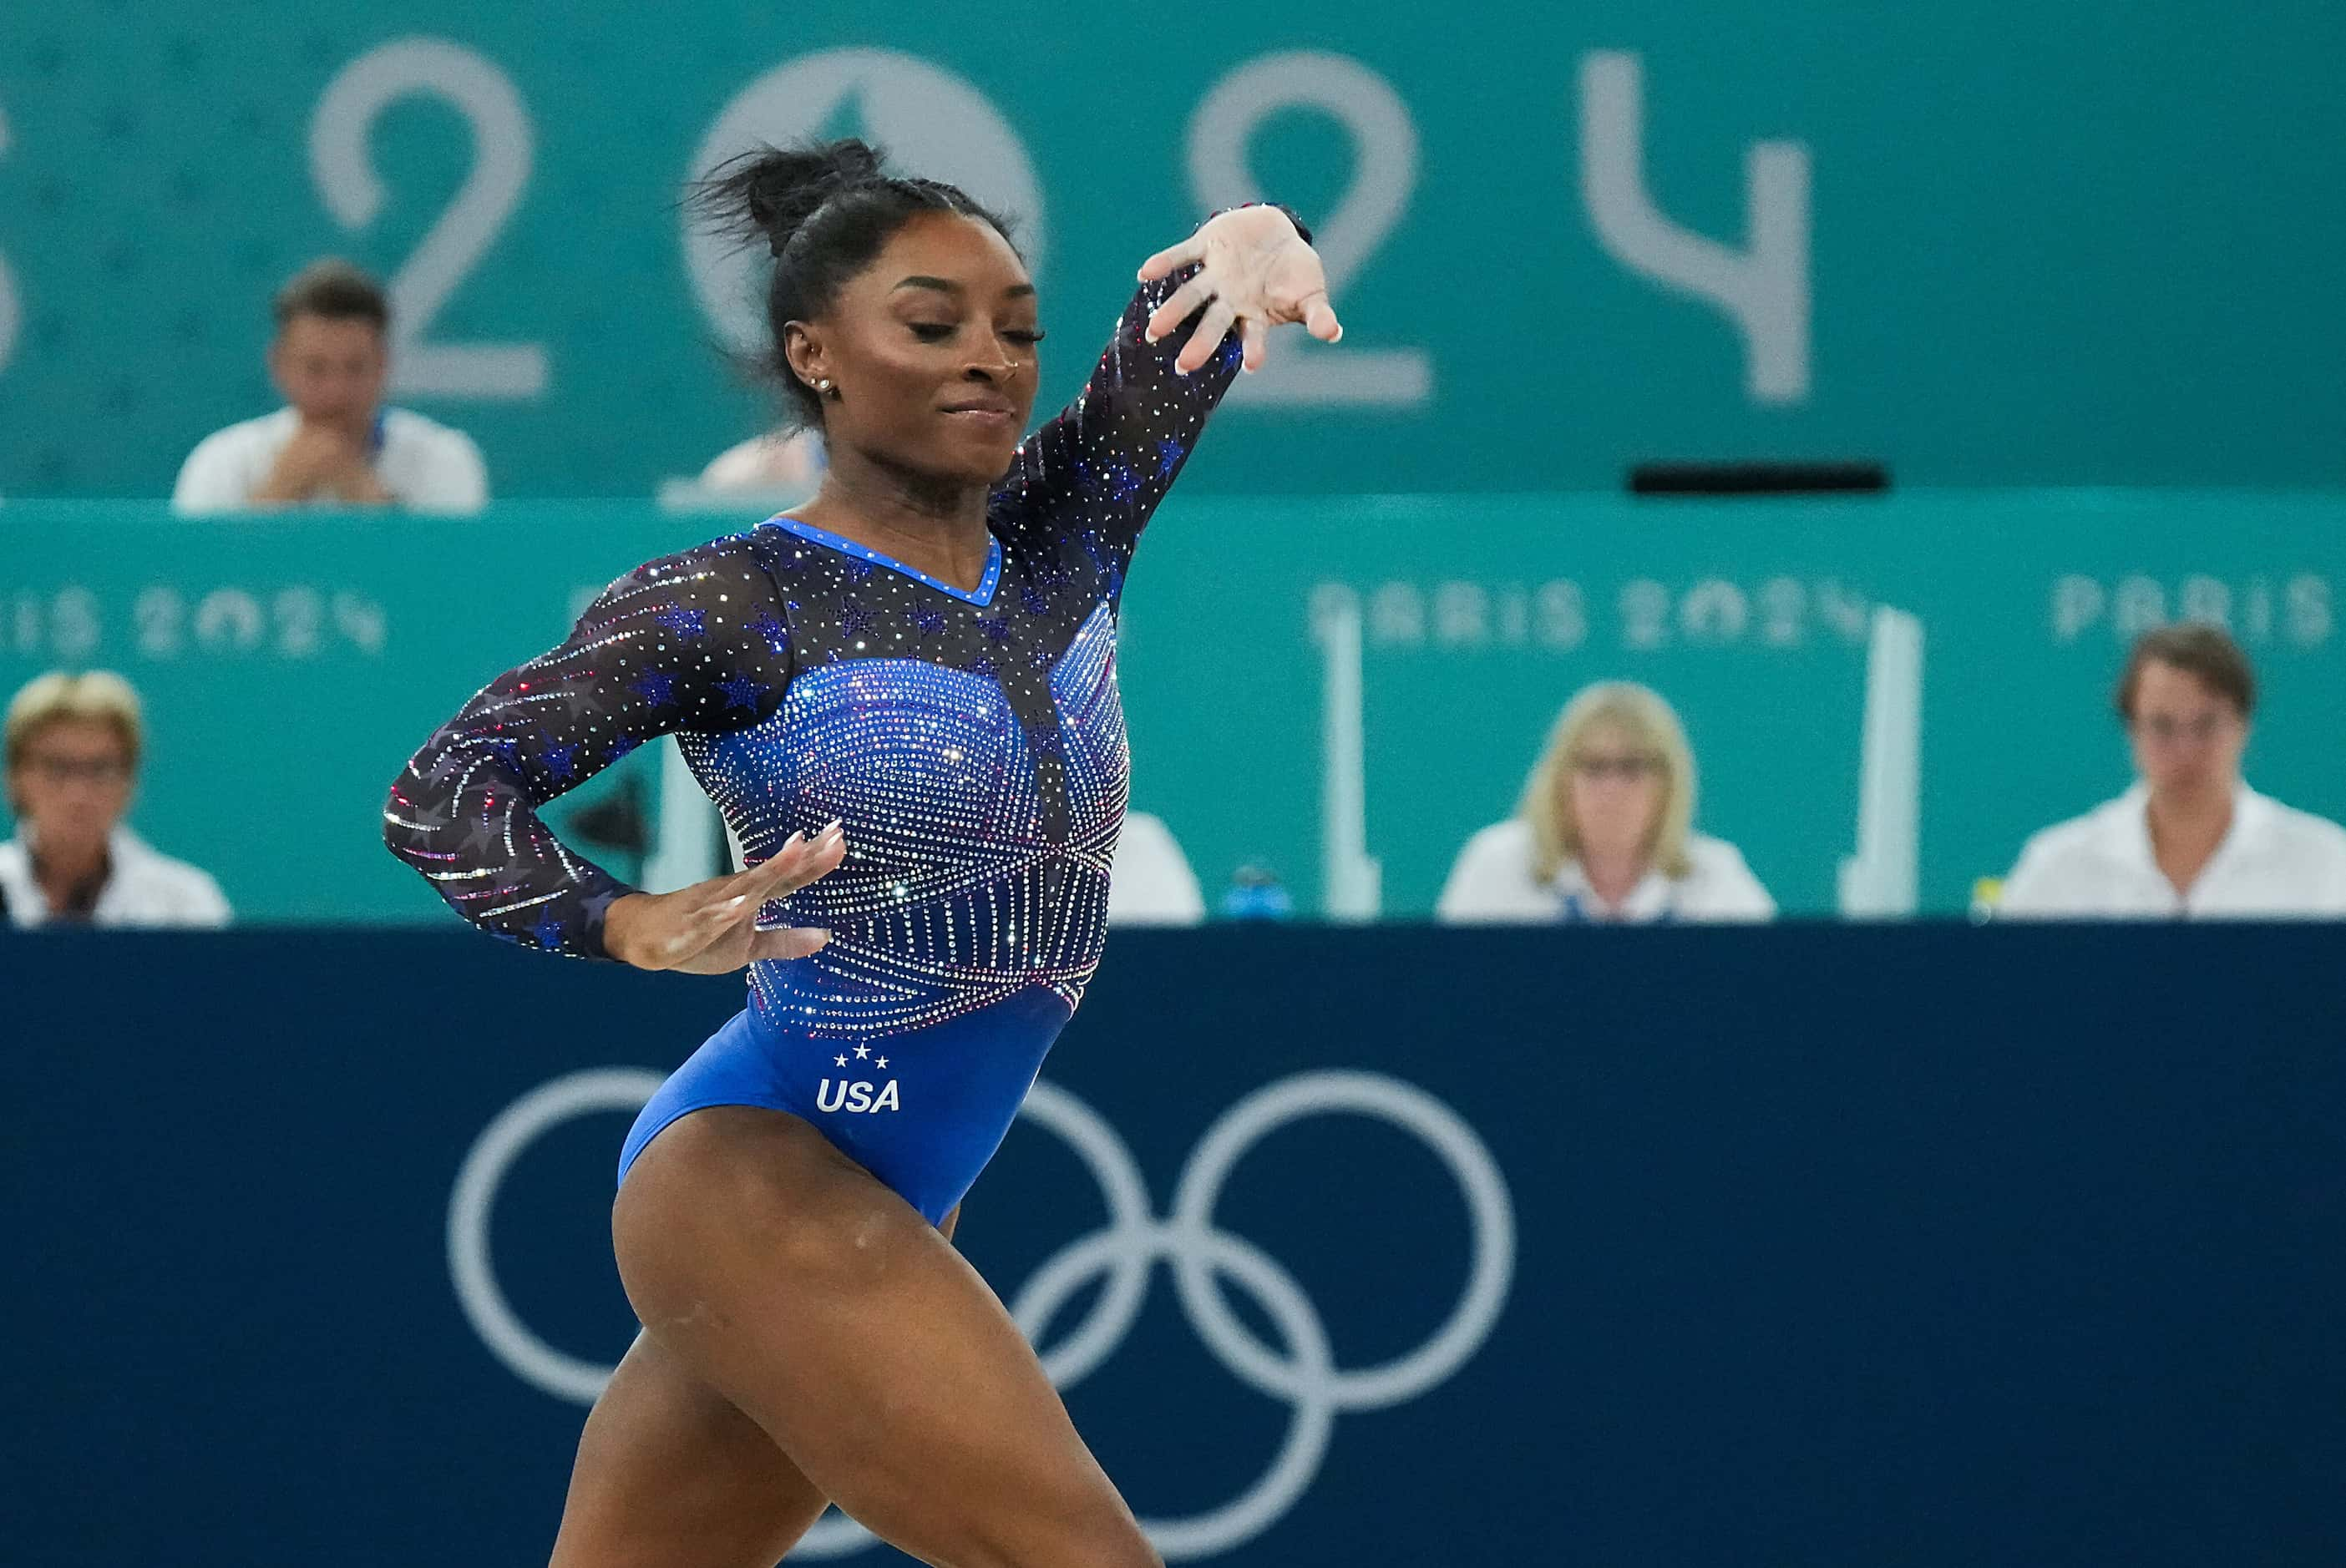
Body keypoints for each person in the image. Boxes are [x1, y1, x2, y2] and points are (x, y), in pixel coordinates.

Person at [383, 139, 1338, 1567]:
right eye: (930, 324)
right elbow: (443, 787)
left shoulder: (1067, 529)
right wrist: (624, 919)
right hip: (751, 1174)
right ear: (813, 353)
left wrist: (1252, 240)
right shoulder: (731, 601)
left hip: (897, 1184)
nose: (989, 362)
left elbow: (1198, 310)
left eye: (1015, 329)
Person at [1999, 624, 2346, 917]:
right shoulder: (2057, 869)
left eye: (2206, 724)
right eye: (2162, 726)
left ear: (2243, 726)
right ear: (2131, 730)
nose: (2186, 750)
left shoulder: (2328, 864)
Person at [1437, 681, 1773, 923]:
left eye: (1632, 768)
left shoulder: (1714, 877)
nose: (1612, 788)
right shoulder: (1498, 866)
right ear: (1560, 779)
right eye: (1594, 767)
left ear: (1669, 783)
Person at [171, 259, 488, 515]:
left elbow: (456, 583)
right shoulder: (221, 463)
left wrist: (366, 498)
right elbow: (188, 583)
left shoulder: (446, 459)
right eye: (315, 369)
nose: (336, 391)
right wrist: (275, 496)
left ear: (383, 366)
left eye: (355, 367)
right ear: (279, 366)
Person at [0, 670, 230, 928]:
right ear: (15, 777)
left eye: (100, 769)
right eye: (57, 768)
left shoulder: (185, 904)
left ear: (130, 779)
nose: (79, 793)